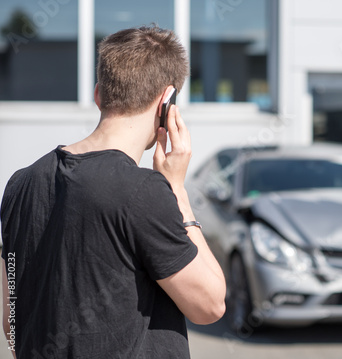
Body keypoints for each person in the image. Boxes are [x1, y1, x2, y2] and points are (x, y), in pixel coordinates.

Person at [0, 26, 226, 359]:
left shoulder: (20, 184)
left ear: (98, 95)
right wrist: (177, 190)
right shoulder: (143, 190)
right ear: (167, 102)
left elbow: (12, 318)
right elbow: (210, 305)